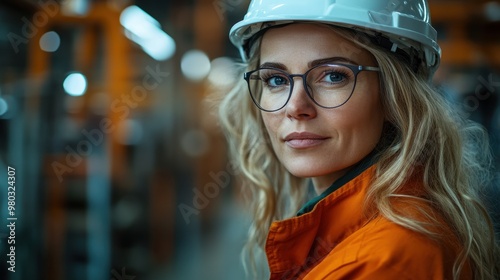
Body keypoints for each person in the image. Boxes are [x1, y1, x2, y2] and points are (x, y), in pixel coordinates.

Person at [217, 0, 500, 279]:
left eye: (332, 76)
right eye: (276, 80)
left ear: (395, 96)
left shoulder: (383, 263)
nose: (295, 107)